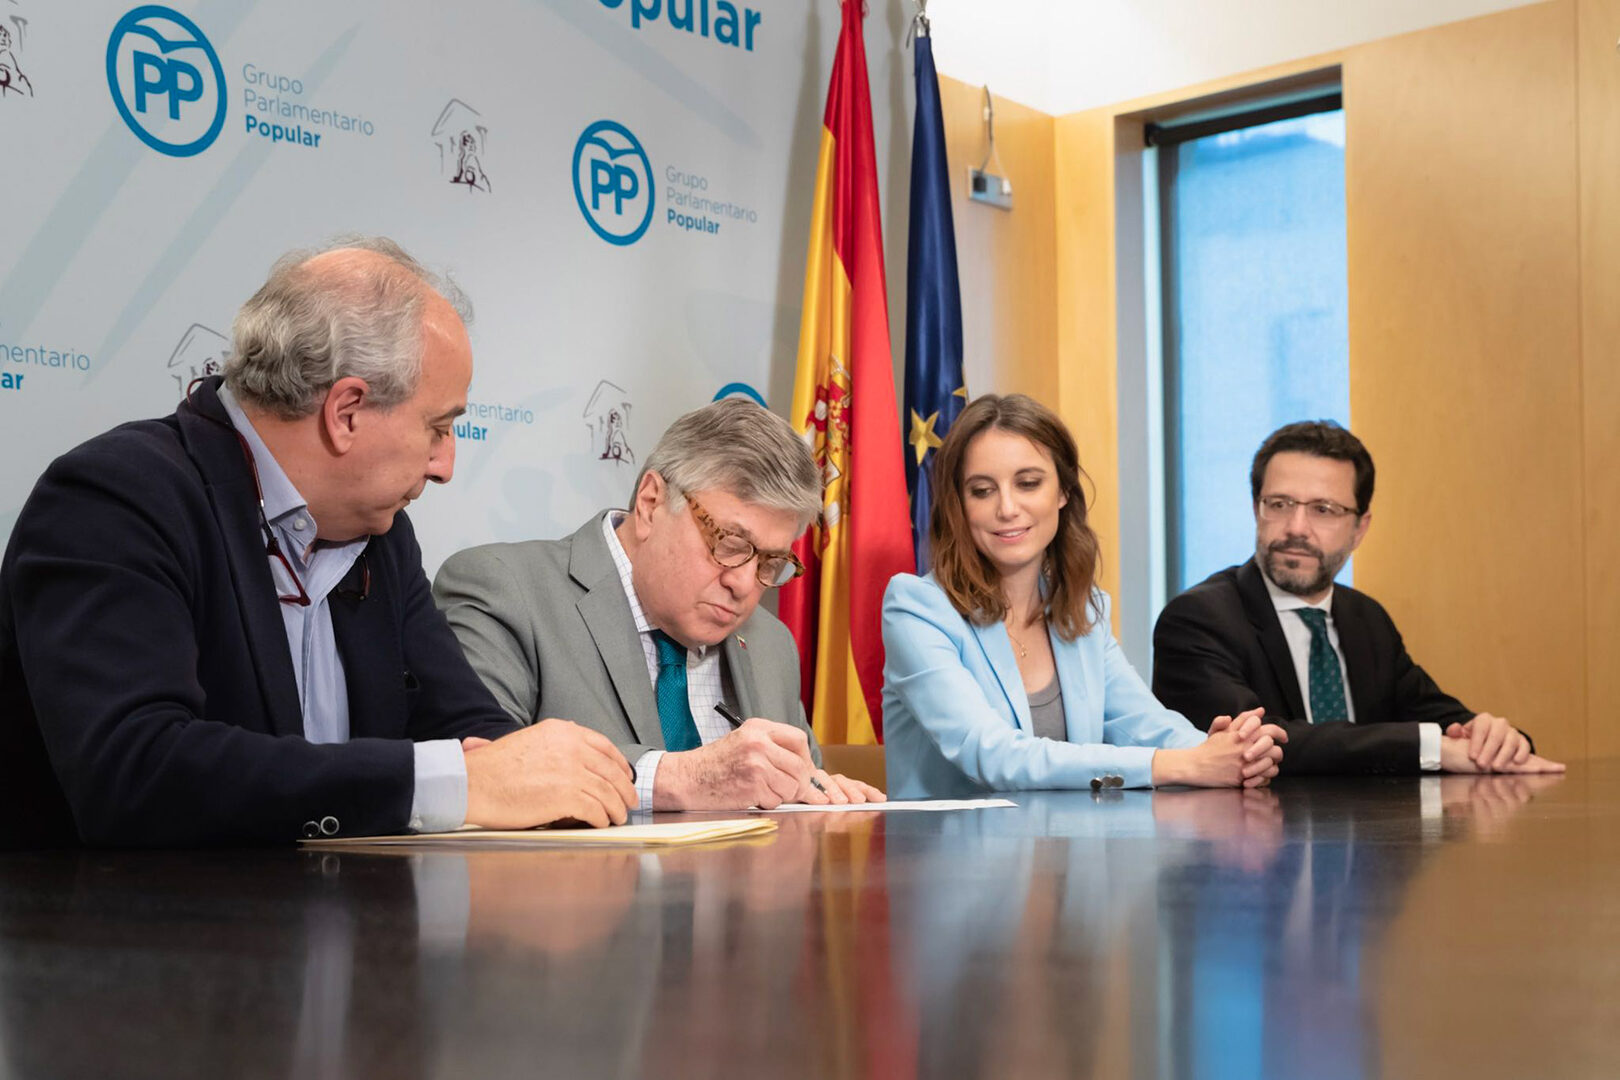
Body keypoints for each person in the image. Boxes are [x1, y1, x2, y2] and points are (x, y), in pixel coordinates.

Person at [0, 238, 636, 848]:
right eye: (438, 427)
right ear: (346, 411)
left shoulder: (383, 534)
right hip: (141, 923)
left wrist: (538, 774)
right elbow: (136, 771)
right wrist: (450, 784)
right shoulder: (116, 496)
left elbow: (466, 729)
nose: (445, 466)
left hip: (348, 917)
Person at [434, 399, 884, 811]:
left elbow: (800, 794)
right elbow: (481, 774)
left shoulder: (771, 644)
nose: (745, 584)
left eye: (771, 563)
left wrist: (826, 800)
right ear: (651, 503)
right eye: (729, 544)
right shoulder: (505, 590)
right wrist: (684, 778)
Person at [880, 393, 1285, 799]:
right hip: (950, 842)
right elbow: (992, 754)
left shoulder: (1082, 609)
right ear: (959, 505)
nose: (1007, 508)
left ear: (1063, 491)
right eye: (982, 490)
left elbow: (1144, 723)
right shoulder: (917, 609)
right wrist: (1186, 764)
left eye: (1028, 484)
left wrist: (1229, 751)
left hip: (1073, 840)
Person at [1152, 420, 1565, 776]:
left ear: (1360, 528)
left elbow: (1437, 718)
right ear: (1255, 509)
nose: (1296, 528)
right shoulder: (1198, 619)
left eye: (1323, 509)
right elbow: (1256, 743)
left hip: (1370, 839)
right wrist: (1431, 748)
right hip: (1250, 840)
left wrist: (1495, 739)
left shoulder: (1365, 618)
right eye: (1279, 504)